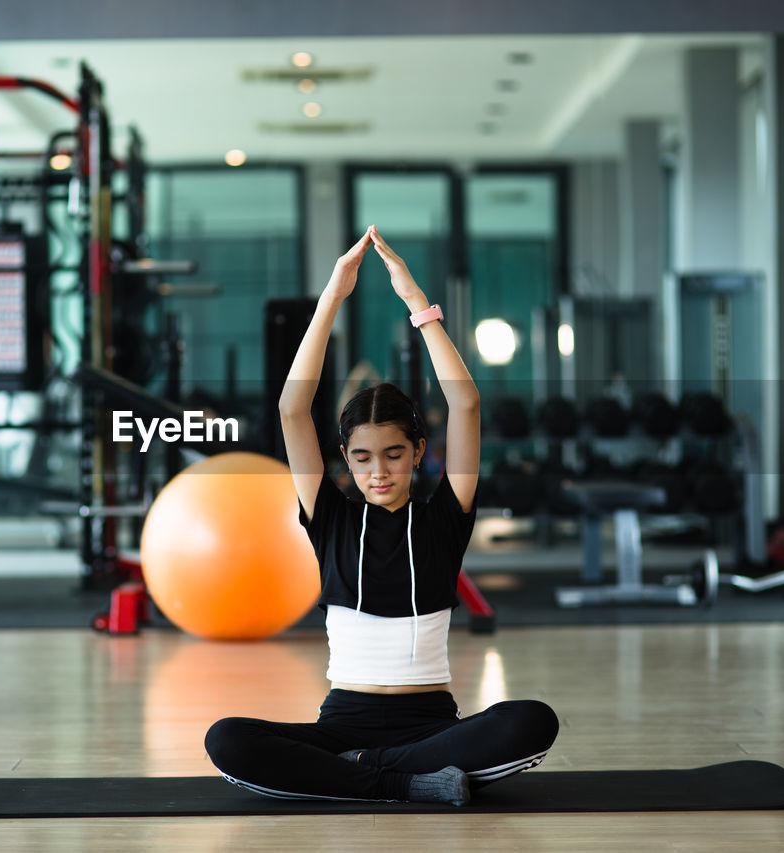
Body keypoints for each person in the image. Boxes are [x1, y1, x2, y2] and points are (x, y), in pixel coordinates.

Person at [204, 225, 559, 806]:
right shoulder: (331, 517)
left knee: (531, 722)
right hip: (342, 724)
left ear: (418, 452)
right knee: (228, 741)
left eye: (394, 454)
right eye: (363, 457)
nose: (378, 471)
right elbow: (293, 409)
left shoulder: (447, 515)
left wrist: (418, 304)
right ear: (345, 458)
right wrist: (330, 301)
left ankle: (361, 775)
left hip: (432, 726)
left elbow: (466, 402)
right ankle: (402, 782)